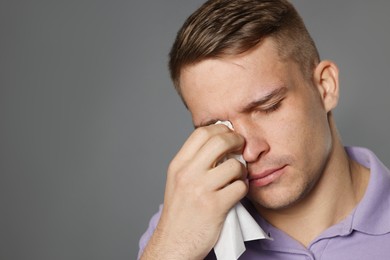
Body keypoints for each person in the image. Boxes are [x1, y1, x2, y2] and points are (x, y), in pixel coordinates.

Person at [138, 0, 390, 259]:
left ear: (325, 87)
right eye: (219, 127)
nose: (249, 152)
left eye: (268, 107)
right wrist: (173, 248)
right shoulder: (178, 227)